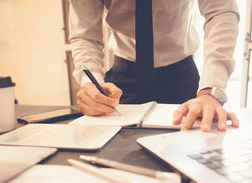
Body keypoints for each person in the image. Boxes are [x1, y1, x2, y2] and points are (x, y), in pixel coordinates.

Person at [69, 0, 240, 132]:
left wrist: (211, 90)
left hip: (182, 78)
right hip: (120, 83)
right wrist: (90, 83)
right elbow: (85, 35)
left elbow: (220, 12)